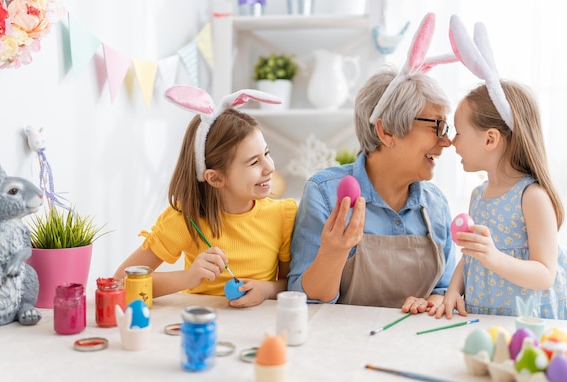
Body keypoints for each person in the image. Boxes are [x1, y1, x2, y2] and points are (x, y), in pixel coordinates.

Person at [288, 13, 458, 313]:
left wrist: (430, 303)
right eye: (437, 126)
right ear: (386, 131)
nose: (446, 141)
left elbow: (444, 290)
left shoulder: (436, 206)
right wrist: (333, 251)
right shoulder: (325, 194)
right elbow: (306, 301)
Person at [435, 16, 567, 321]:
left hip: (533, 324)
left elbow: (545, 273)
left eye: (459, 132)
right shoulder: (478, 195)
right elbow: (471, 255)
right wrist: (454, 289)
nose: (452, 142)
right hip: (491, 320)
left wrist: (494, 257)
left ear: (490, 138)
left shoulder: (532, 197)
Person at [114, 86, 297, 308]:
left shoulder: (283, 215)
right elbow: (120, 283)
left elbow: (291, 283)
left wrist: (267, 289)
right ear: (215, 178)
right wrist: (188, 278)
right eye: (254, 162)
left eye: (266, 153)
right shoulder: (184, 219)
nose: (270, 167)